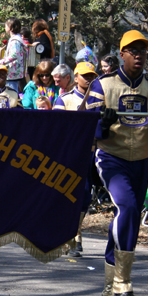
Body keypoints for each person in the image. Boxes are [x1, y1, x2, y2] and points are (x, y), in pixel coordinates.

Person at [85, 30, 148, 296]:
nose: (138, 55)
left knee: (126, 222)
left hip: (141, 162)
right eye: (132, 50)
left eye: (143, 51)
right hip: (110, 159)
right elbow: (84, 129)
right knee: (125, 208)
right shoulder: (103, 85)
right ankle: (123, 283)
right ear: (121, 53)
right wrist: (102, 122)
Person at [53, 62, 98, 255]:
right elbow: (56, 129)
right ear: (76, 76)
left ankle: (75, 233)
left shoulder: (99, 100)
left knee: (86, 196)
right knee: (70, 194)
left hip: (92, 153)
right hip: (71, 154)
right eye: (85, 76)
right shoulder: (64, 100)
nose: (88, 79)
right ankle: (71, 235)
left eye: (91, 76)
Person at [0, 18, 26, 92]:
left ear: (10, 27)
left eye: (6, 26)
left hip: (13, 73)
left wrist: (1, 62)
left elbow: (14, 55)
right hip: (15, 72)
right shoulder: (16, 39)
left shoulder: (14, 41)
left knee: (11, 93)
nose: (5, 28)